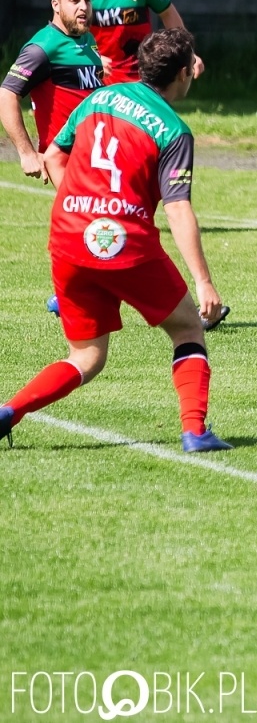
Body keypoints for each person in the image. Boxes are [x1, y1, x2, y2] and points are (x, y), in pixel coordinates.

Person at [0, 29, 229, 452]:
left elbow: (53, 156)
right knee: (187, 328)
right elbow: (178, 209)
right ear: (182, 74)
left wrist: (81, 203)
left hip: (68, 236)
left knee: (87, 356)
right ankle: (195, 432)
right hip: (125, 243)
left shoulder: (96, 100)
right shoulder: (174, 130)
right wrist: (204, 282)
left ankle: (8, 411)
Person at [1, 0, 104, 181]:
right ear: (56, 5)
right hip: (66, 156)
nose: (83, 6)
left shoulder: (88, 39)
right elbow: (7, 95)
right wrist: (26, 152)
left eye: (87, 0)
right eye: (74, 1)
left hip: (96, 150)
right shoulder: (42, 47)